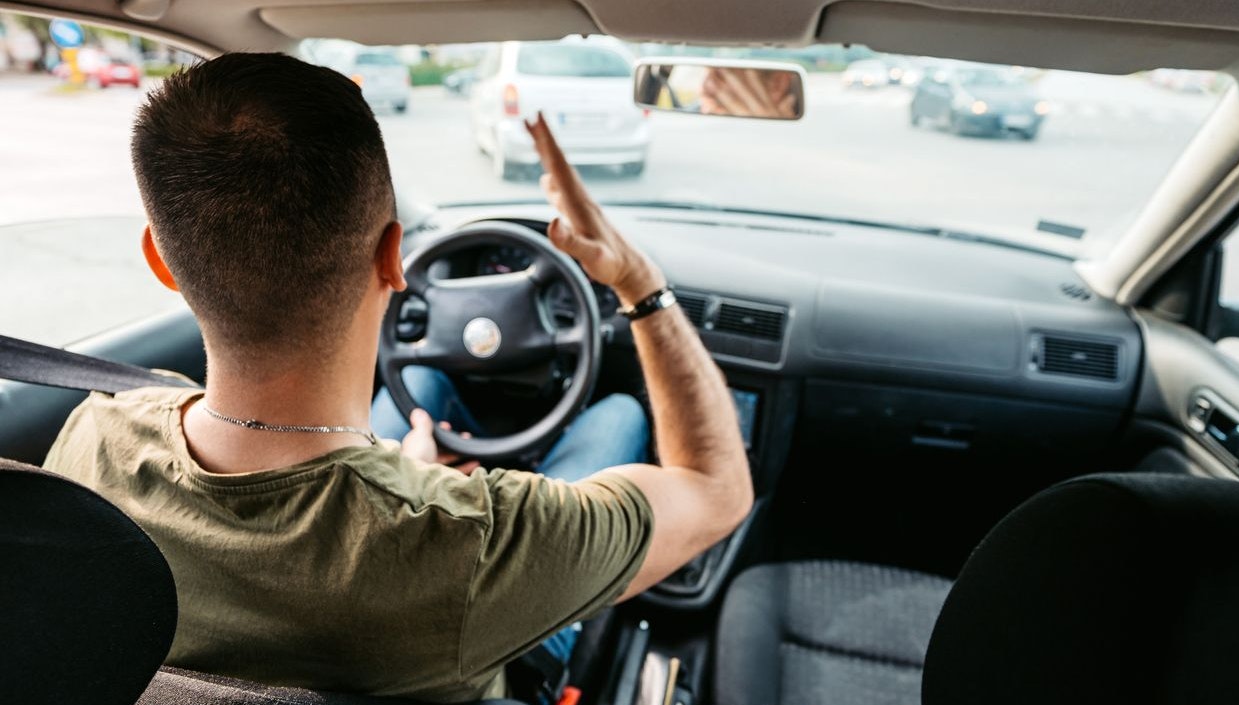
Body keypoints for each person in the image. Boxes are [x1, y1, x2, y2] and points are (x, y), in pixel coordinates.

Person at [43, 52, 752, 703]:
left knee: (429, 400)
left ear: (161, 261)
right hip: (482, 626)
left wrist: (399, 476)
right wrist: (639, 282)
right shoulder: (466, 542)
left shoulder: (95, 432)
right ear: (394, 257)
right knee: (619, 416)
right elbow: (717, 489)